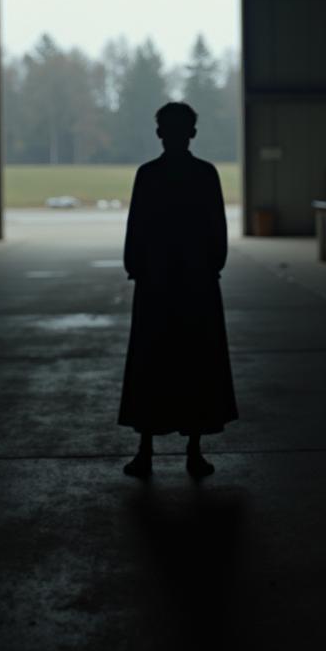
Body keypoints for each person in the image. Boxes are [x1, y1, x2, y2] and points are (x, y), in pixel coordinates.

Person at [118, 102, 238, 478]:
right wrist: (211, 267)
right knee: (197, 362)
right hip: (196, 282)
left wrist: (136, 267)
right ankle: (194, 451)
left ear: (159, 133)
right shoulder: (205, 174)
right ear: (193, 133)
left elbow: (135, 228)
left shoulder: (148, 175)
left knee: (151, 362)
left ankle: (146, 451)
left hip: (156, 282)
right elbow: (217, 229)